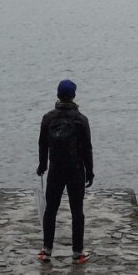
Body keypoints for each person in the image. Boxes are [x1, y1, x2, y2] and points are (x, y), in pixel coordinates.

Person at [36, 78, 93, 263]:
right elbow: (87, 148)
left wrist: (42, 165)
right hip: (76, 170)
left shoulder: (48, 118)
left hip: (55, 170)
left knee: (50, 210)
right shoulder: (81, 119)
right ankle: (77, 253)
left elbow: (42, 144)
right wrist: (90, 171)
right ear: (74, 96)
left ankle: (46, 250)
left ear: (58, 95)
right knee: (77, 211)